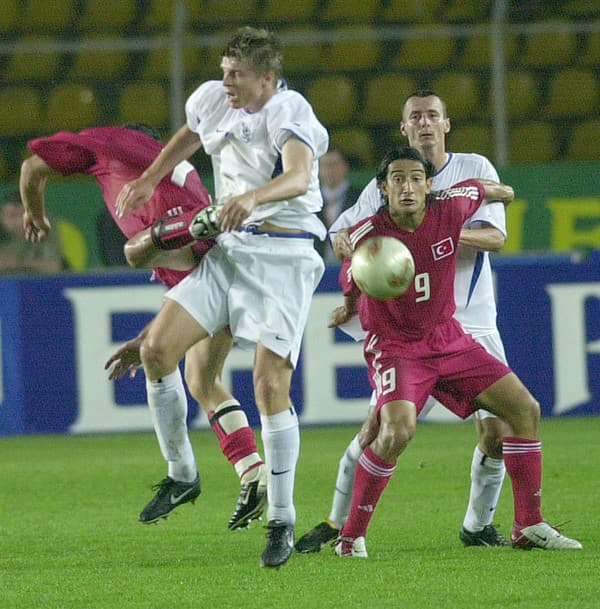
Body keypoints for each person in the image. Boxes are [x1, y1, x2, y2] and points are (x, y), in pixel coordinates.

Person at [114, 27, 329, 568]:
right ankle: (183, 474)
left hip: (283, 255)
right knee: (157, 351)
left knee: (268, 385)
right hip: (229, 249)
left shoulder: (289, 108)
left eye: (237, 74)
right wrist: (148, 178)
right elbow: (191, 134)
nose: (226, 81)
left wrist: (252, 196)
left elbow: (301, 177)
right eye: (224, 70)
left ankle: (281, 519)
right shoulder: (214, 97)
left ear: (266, 77)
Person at [331, 146, 581, 557]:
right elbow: (350, 269)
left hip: (449, 339)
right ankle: (350, 535)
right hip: (398, 349)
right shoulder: (367, 237)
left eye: (416, 178)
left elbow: (482, 189)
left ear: (430, 185)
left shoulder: (450, 206)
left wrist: (505, 190)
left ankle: (528, 524)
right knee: (397, 431)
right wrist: (347, 293)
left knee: (524, 410)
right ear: (383, 189)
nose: (408, 187)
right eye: (397, 179)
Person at [19, 123, 268, 531]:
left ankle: (182, 474)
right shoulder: (182, 172)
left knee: (136, 256)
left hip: (203, 257)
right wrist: (149, 334)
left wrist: (35, 213)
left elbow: (32, 168)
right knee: (202, 379)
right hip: (222, 268)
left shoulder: (109, 143)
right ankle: (252, 471)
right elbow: (192, 284)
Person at [296, 89, 513, 552]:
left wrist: (438, 233)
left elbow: (496, 236)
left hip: (470, 321)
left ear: (446, 124)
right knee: (381, 429)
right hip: (410, 330)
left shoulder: (473, 167)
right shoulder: (393, 181)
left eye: (433, 115)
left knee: (498, 429)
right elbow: (341, 236)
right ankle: (336, 523)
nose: (425, 123)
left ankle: (478, 525)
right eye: (415, 116)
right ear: (405, 128)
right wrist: (366, 265)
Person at [0, 189, 64, 275]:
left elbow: (53, 267)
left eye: (23, 215)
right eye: (12, 216)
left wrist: (18, 262)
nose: (19, 222)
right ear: (2, 218)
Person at [315, 149, 361, 264]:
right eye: (325, 165)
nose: (330, 170)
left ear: (345, 166)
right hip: (317, 270)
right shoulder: (310, 202)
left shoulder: (360, 199)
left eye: (334, 164)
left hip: (352, 266)